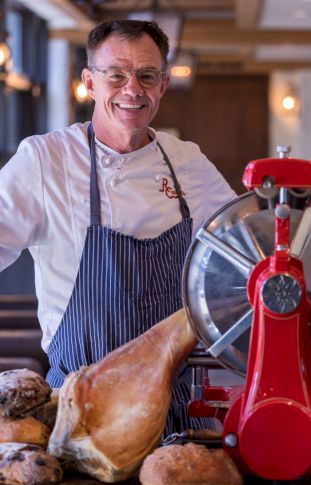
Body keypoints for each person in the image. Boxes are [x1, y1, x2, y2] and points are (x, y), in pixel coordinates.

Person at [0, 19, 236, 432]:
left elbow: (242, 247)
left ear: (162, 85)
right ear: (90, 83)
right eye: (116, 76)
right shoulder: (44, 161)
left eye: (146, 76)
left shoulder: (187, 162)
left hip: (176, 411)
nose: (133, 90)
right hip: (77, 414)